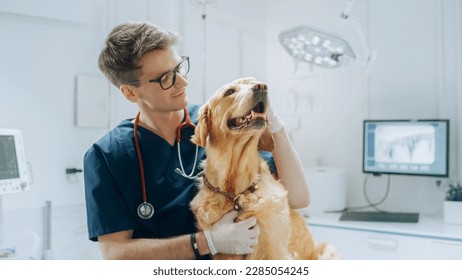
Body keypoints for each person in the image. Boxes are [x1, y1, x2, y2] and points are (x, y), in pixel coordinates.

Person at [83, 21, 310, 260]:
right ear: (131, 92)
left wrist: (275, 124)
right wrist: (205, 242)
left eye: (179, 68)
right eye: (165, 79)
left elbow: (297, 197)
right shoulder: (107, 157)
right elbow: (115, 254)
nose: (182, 82)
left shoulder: (217, 124)